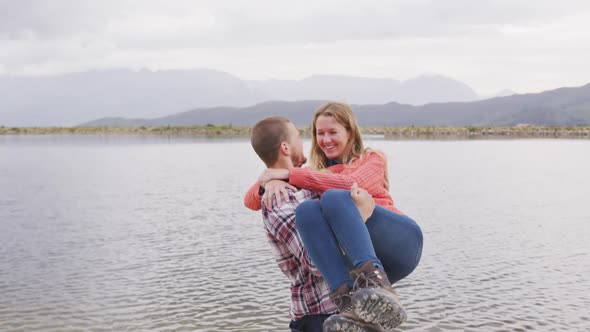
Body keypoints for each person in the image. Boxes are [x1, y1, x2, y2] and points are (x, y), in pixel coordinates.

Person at [245, 102, 423, 331]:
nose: (326, 139)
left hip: (401, 241)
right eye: (320, 133)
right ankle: (346, 300)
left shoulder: (372, 159)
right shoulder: (316, 173)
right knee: (306, 210)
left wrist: (289, 174)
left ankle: (376, 280)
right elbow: (250, 200)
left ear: (350, 132)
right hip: (360, 251)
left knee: (333, 198)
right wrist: (270, 181)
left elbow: (350, 185)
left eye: (333, 132)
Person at [247, 116, 380, 332]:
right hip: (319, 315)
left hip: (346, 307)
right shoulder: (278, 200)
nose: (306, 143)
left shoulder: (302, 184)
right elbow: (315, 261)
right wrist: (361, 217)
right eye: (299, 137)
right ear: (285, 147)